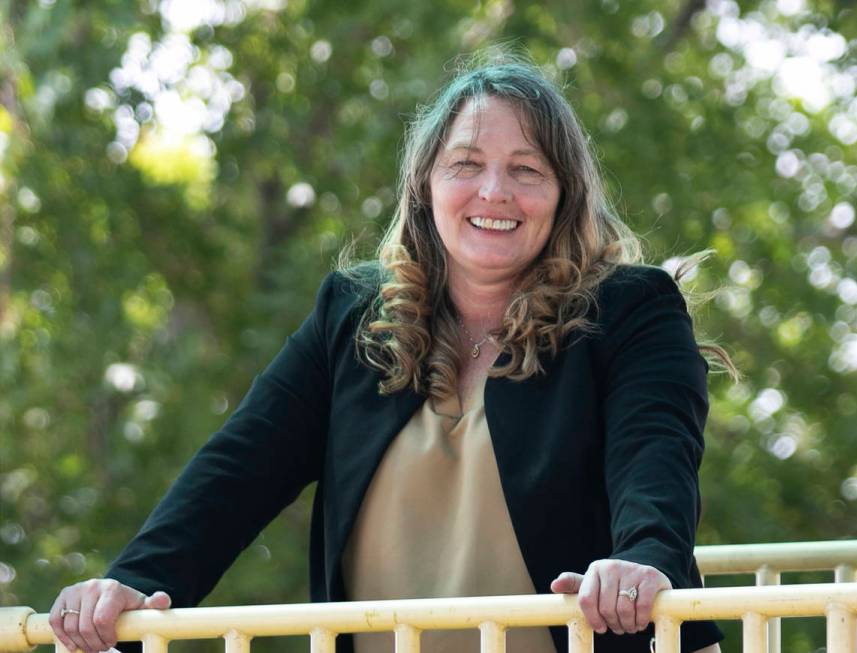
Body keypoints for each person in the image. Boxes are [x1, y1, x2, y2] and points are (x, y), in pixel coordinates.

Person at [49, 57, 727, 653]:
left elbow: (655, 454)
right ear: (425, 184)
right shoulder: (352, 316)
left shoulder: (629, 310)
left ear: (562, 195)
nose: (494, 192)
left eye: (526, 170)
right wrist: (132, 581)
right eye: (466, 165)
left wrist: (643, 558)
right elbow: (237, 466)